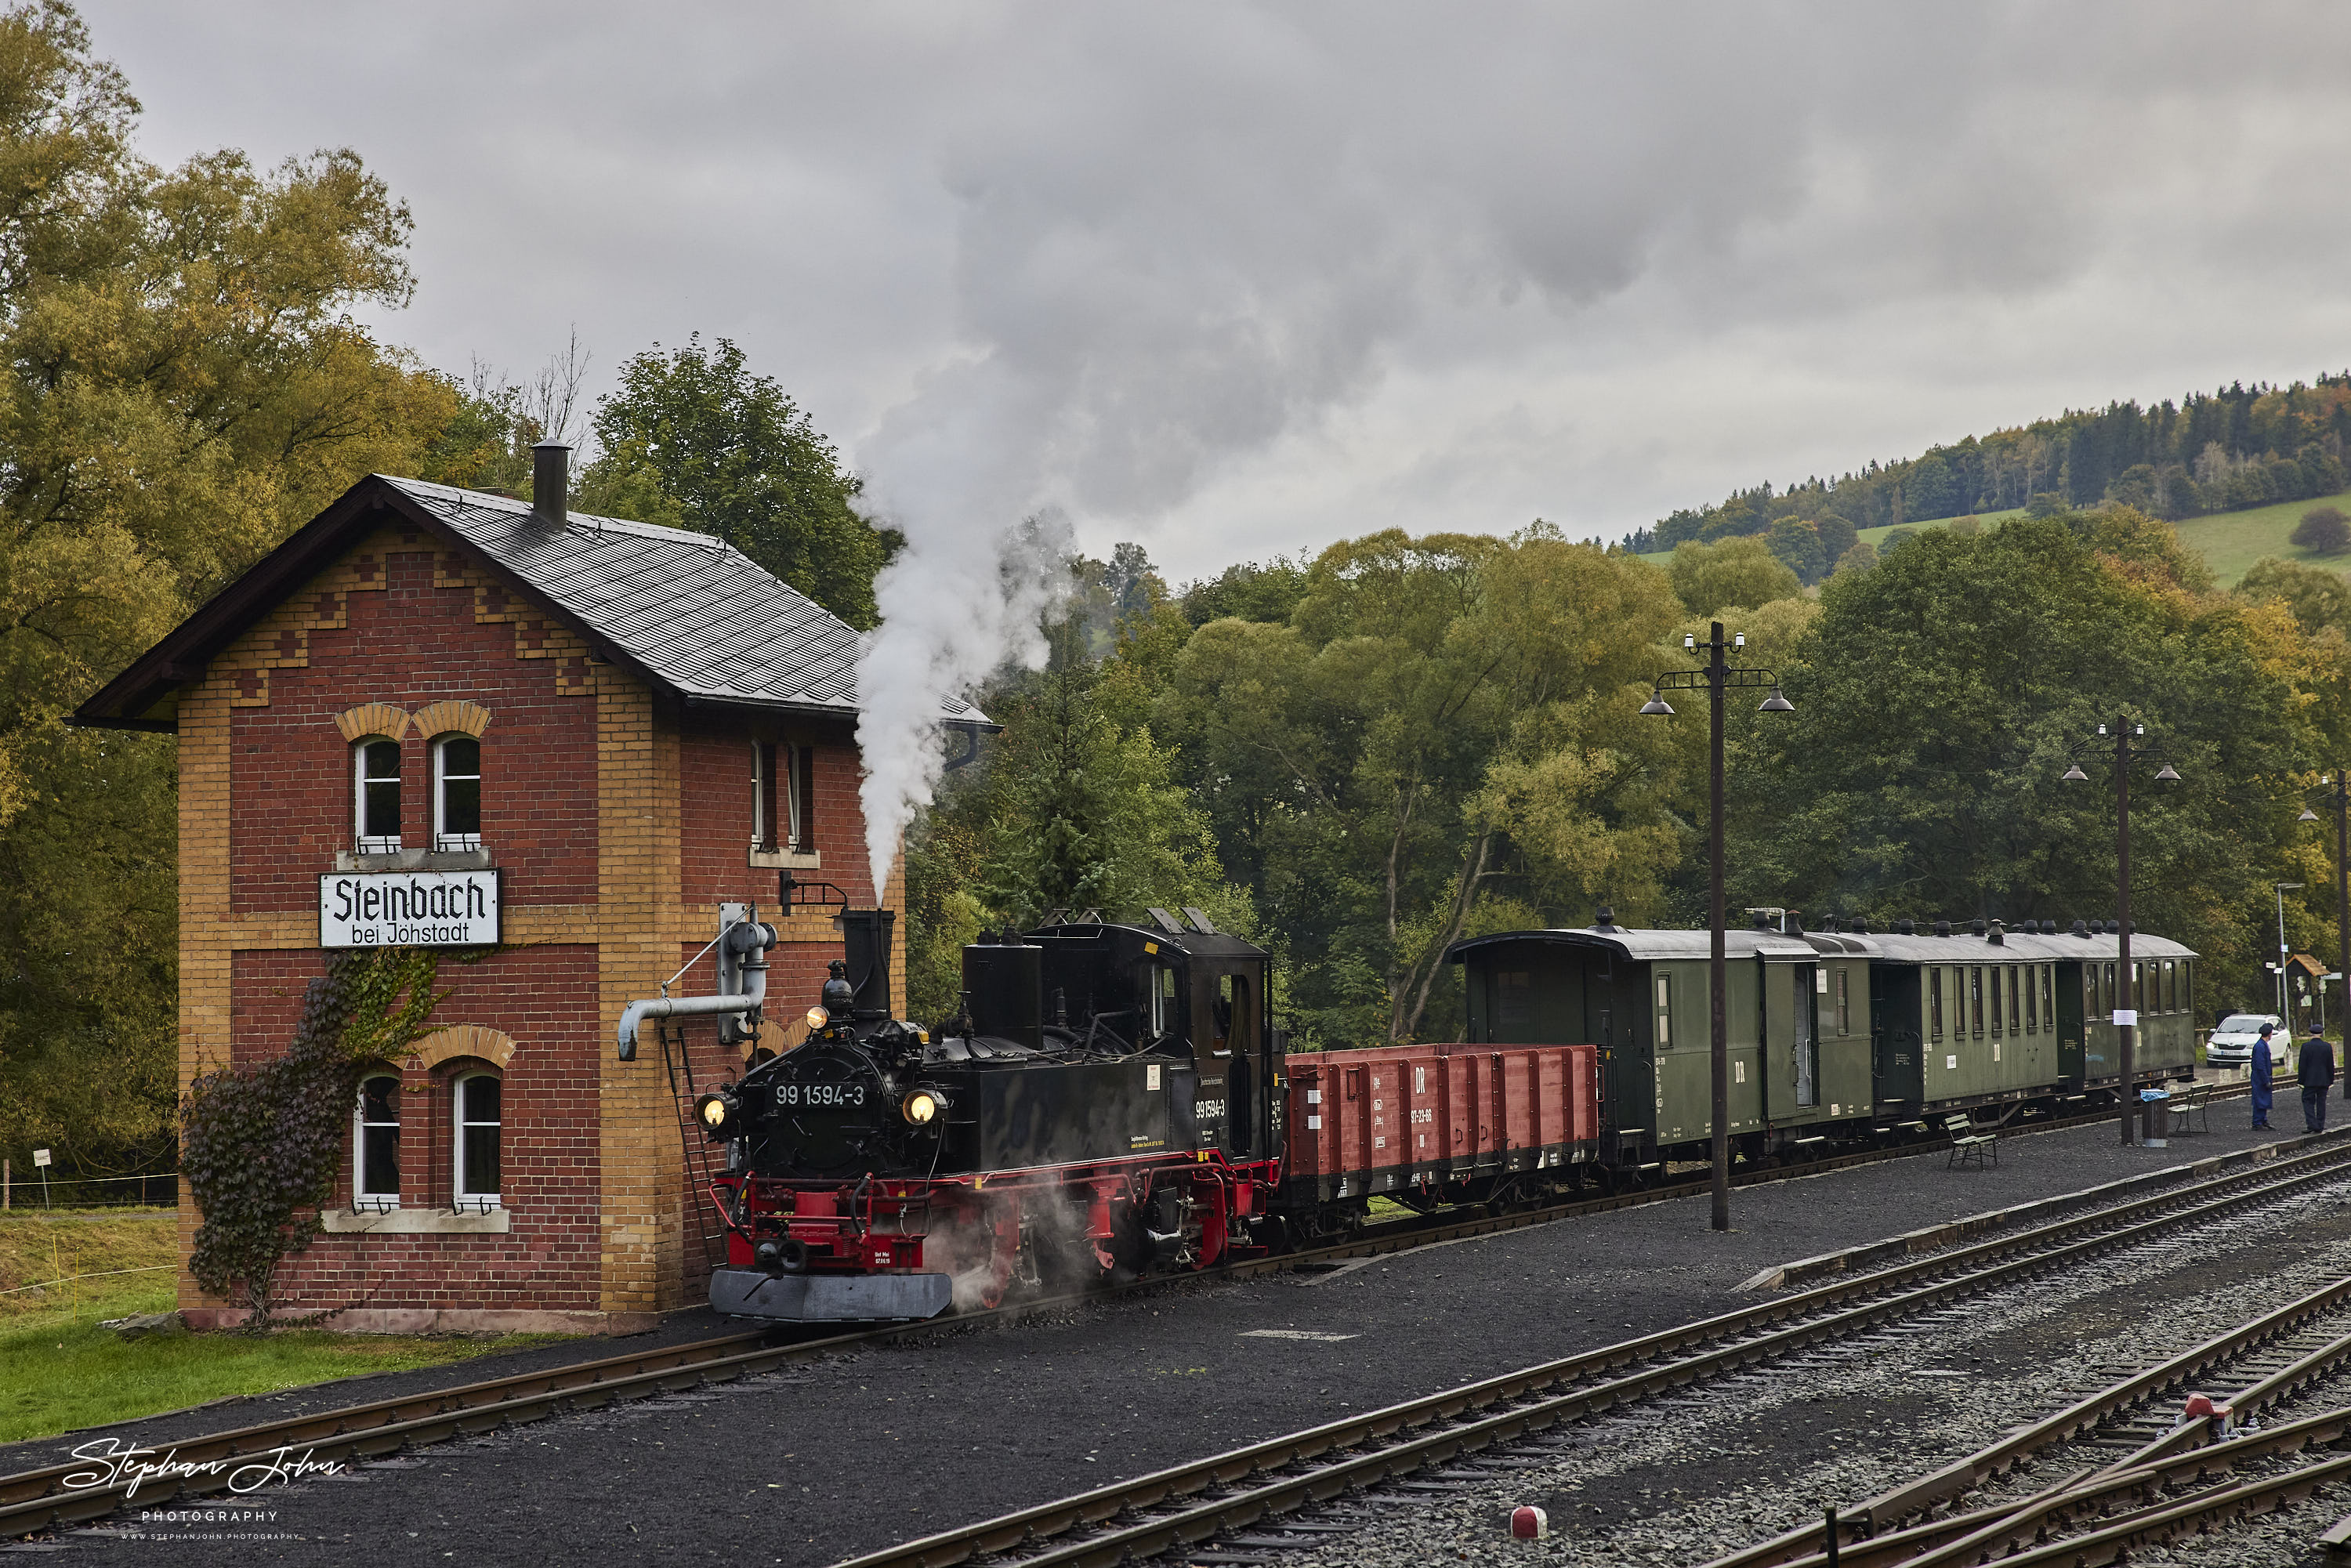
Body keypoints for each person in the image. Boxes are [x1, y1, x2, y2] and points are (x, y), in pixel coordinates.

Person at [2301, 1029, 2338, 1134]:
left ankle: (2312, 1124)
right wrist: (2331, 1080)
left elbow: (2302, 1065)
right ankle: (2320, 1125)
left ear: (2311, 1034)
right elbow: (2330, 1065)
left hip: (2309, 1080)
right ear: (2321, 1033)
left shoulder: (2306, 1046)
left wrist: (2301, 1080)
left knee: (2308, 1101)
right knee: (2321, 1102)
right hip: (2324, 1079)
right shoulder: (2327, 1046)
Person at [2251, 1023, 2275, 1129]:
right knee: (2260, 1099)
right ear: (2270, 1034)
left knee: (2263, 1098)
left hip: (2262, 1076)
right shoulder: (2260, 1046)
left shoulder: (2261, 1045)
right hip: (2260, 1077)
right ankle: (2257, 1122)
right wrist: (2266, 1079)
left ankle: (2263, 1119)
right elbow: (2260, 1065)